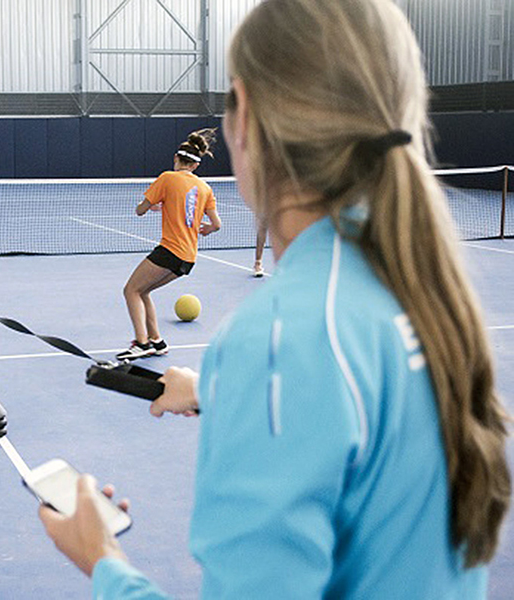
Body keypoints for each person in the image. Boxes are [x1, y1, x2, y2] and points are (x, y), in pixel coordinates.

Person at [39, 1, 510, 597]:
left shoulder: (282, 336)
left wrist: (102, 561)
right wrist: (219, 390)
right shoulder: (423, 285)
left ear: (246, 116)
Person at [116, 130, 222, 361]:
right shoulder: (205, 188)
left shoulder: (167, 178)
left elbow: (140, 210)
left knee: (130, 290)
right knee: (143, 291)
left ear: (176, 158)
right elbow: (216, 225)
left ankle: (141, 343)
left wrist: (151, 205)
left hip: (170, 251)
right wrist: (205, 228)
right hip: (188, 259)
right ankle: (157, 341)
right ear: (195, 165)